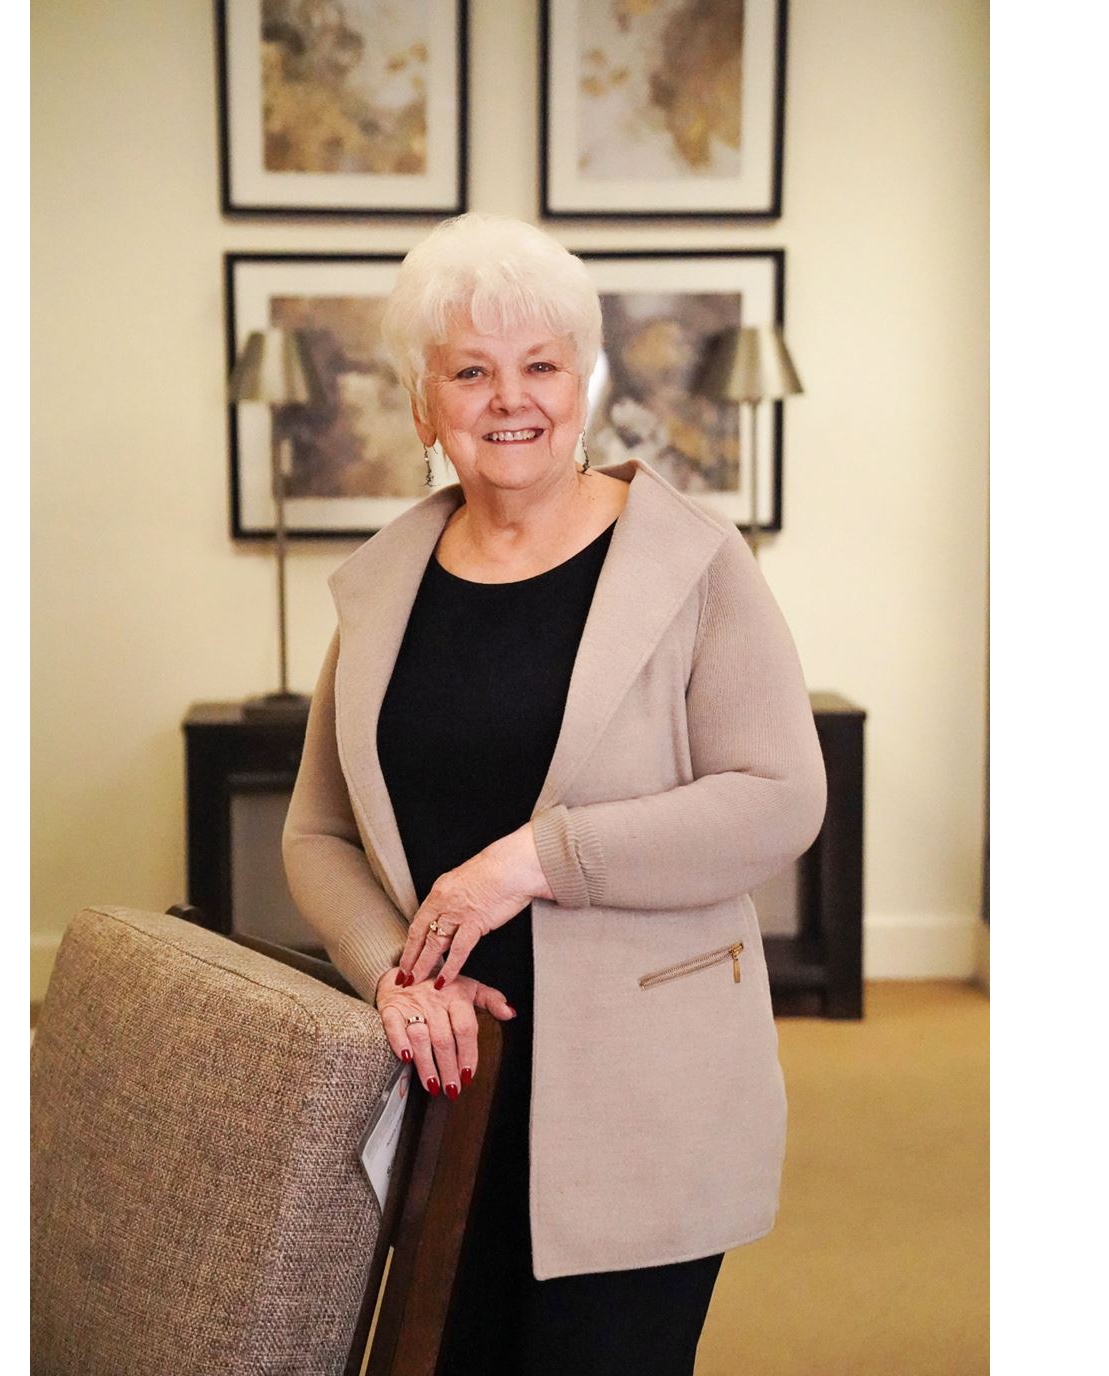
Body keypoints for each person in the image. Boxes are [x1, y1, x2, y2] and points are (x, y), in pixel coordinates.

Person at [282, 213, 825, 1376]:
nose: (509, 398)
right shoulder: (384, 587)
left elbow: (780, 798)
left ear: (582, 385)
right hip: (443, 1093)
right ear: (424, 406)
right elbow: (316, 833)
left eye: (539, 365)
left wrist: (529, 859)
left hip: (647, 1094)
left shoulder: (692, 562)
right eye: (469, 371)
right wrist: (390, 969)